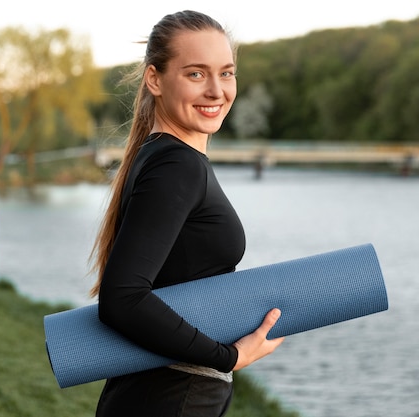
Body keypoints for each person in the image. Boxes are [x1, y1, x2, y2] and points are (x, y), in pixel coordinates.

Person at [89, 10, 284, 417]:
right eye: (196, 74)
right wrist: (227, 356)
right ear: (155, 79)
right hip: (171, 397)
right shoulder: (177, 165)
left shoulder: (161, 156)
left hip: (156, 392)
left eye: (226, 73)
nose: (216, 91)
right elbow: (122, 298)